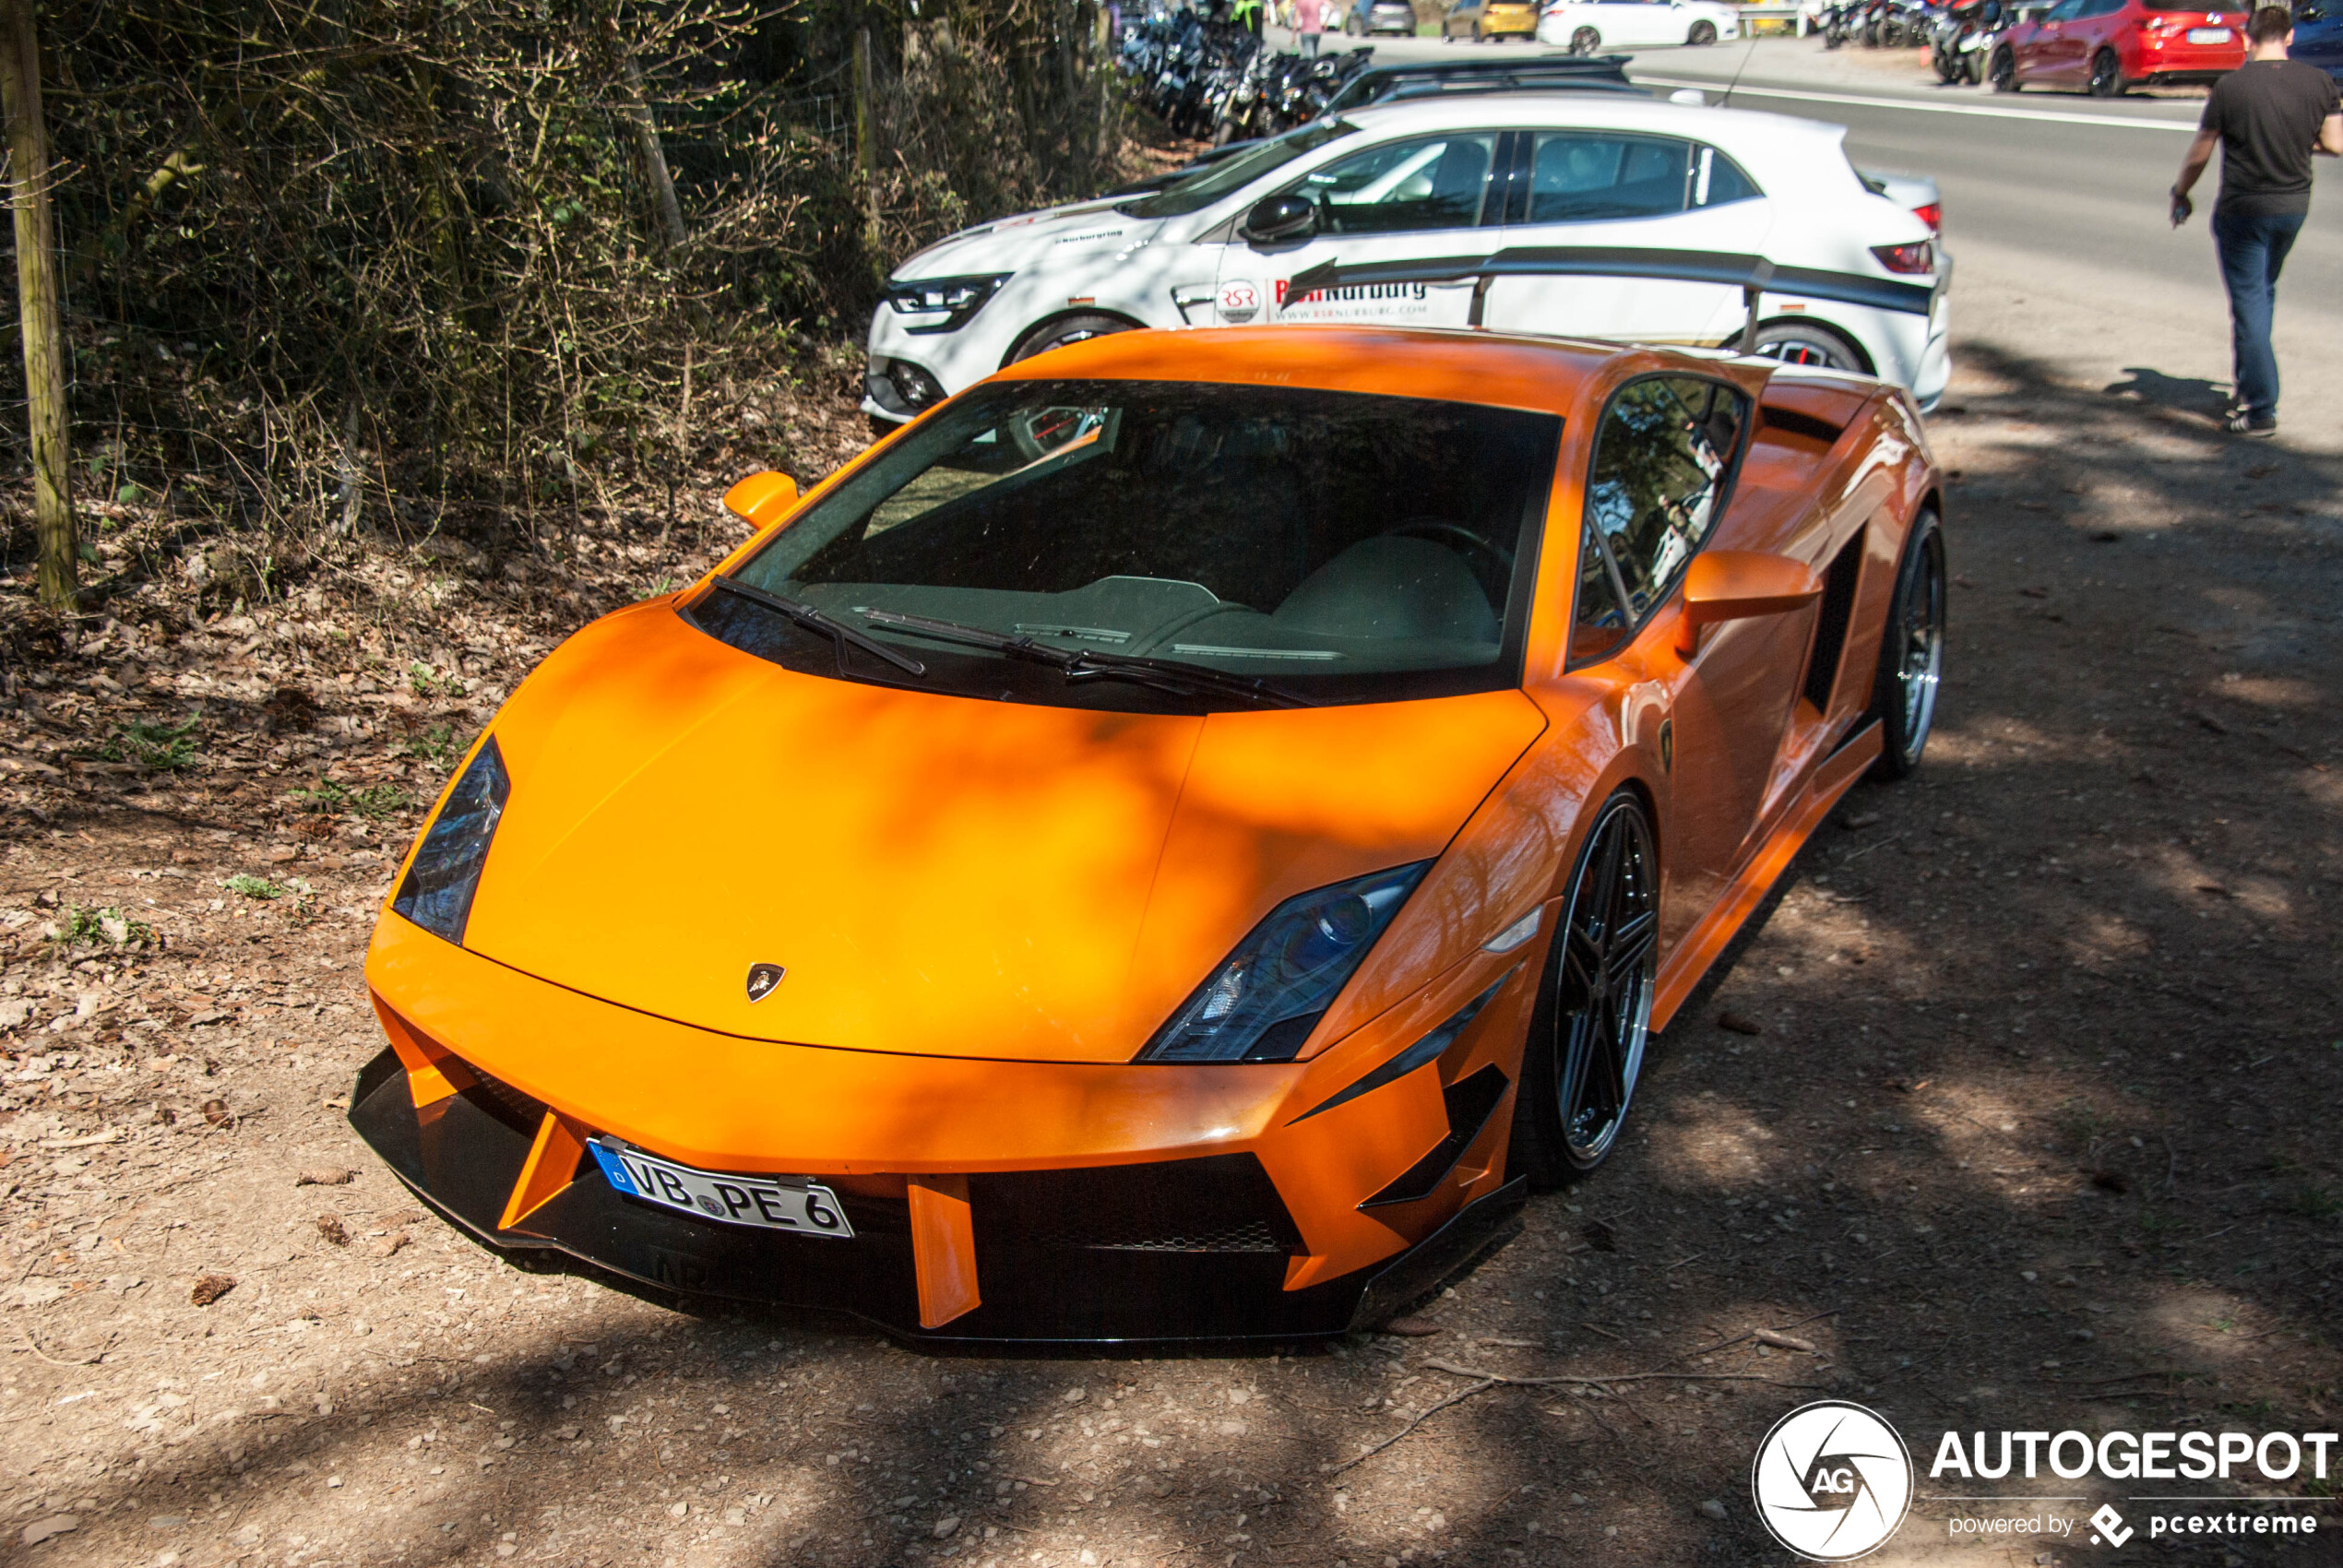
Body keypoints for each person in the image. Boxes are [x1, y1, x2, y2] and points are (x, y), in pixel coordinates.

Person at [2170, 6, 2343, 436]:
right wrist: (2297, 145)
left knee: (2249, 303)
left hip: (2243, 210)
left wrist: (2180, 192)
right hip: (2292, 208)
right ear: (2289, 37)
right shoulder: (2320, 82)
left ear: (2248, 40)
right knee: (2261, 292)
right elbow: (2336, 145)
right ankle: (2249, 383)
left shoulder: (2230, 87)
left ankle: (2261, 409)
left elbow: (2201, 151)